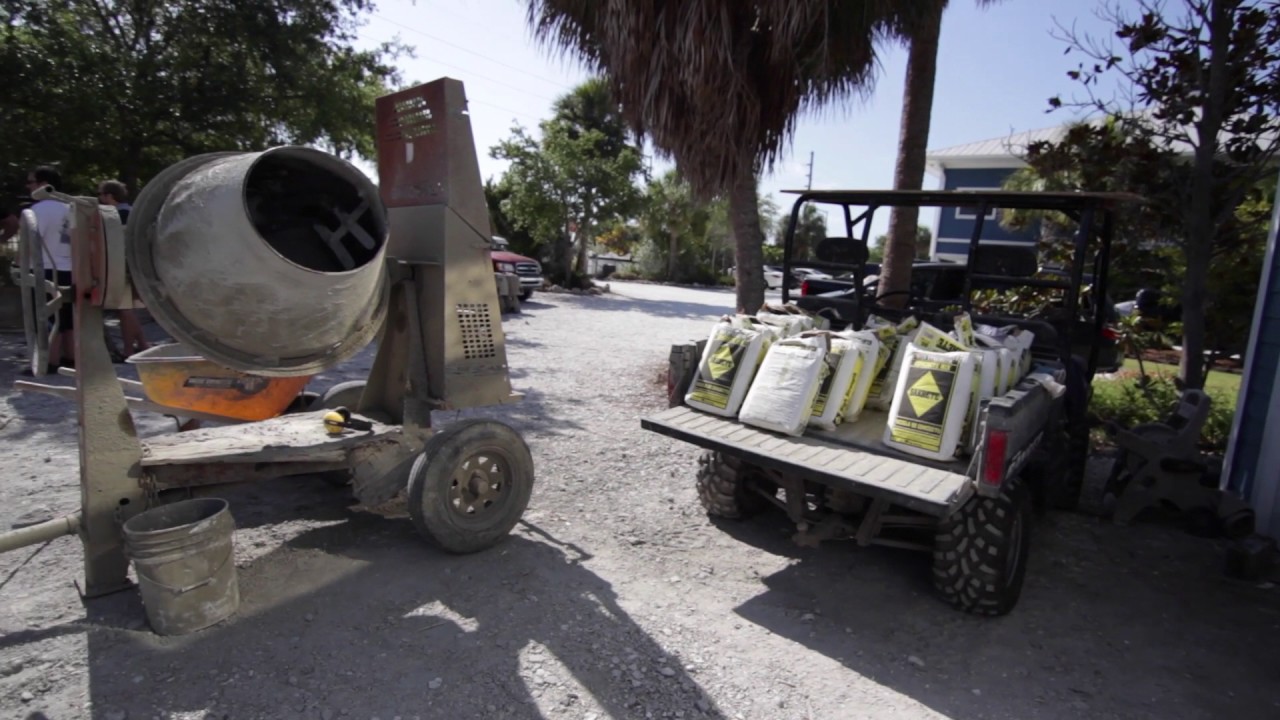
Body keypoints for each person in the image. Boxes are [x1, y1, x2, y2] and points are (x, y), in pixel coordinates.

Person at [26, 166, 74, 371]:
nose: (28, 187)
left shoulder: (39, 210)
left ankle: (49, 361)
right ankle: (71, 357)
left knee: (45, 317)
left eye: (31, 182)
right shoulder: (72, 208)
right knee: (67, 317)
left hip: (45, 267)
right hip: (70, 267)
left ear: (44, 184)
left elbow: (32, 242)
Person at [97, 179, 149, 357]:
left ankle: (130, 349)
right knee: (126, 309)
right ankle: (142, 345)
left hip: (121, 267)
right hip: (129, 266)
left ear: (109, 196)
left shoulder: (119, 215)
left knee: (124, 310)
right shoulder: (130, 211)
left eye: (101, 194)